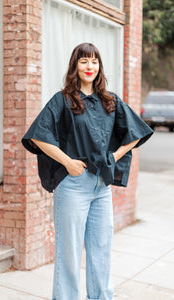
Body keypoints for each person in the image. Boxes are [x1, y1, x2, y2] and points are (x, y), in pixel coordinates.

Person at [21, 42, 153, 300]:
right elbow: (38, 136)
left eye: (94, 61)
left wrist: (114, 157)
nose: (89, 66)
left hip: (101, 187)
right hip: (73, 186)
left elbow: (136, 133)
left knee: (101, 250)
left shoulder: (110, 100)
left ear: (99, 66)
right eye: (84, 61)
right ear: (75, 66)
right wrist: (68, 162)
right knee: (69, 253)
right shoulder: (62, 100)